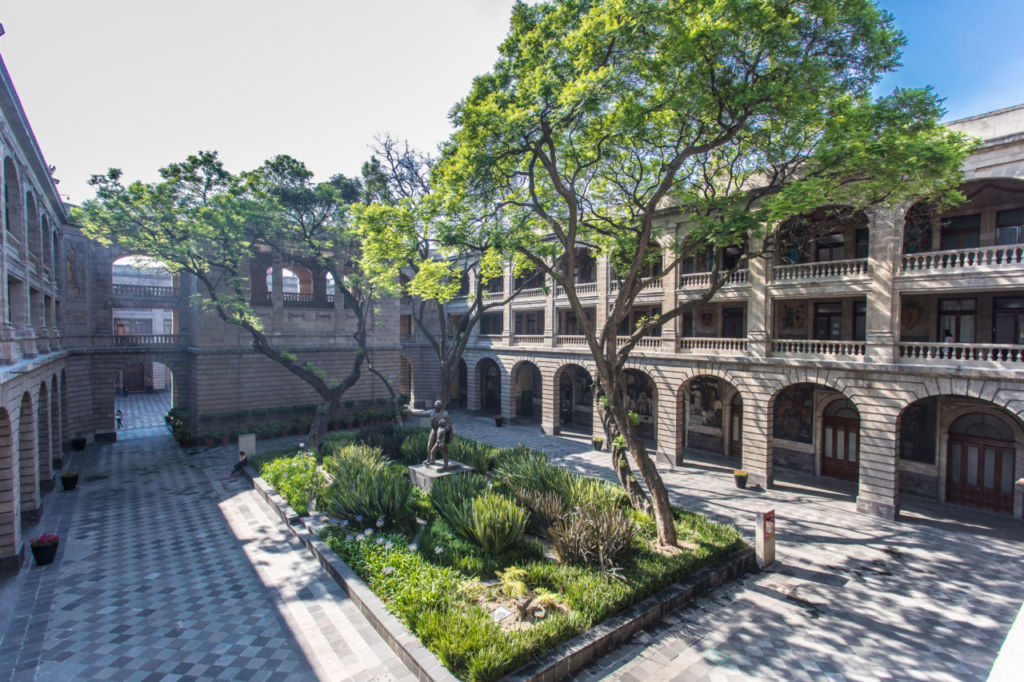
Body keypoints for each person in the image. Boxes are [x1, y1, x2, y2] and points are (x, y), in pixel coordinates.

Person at [408, 400, 454, 467]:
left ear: (441, 407)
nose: (436, 407)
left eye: (438, 406)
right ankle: (430, 459)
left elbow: (449, 424)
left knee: (443, 449)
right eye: (435, 406)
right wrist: (412, 412)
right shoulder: (431, 411)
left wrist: (445, 429)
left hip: (441, 433)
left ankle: (446, 463)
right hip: (433, 431)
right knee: (429, 446)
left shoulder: (445, 414)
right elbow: (422, 413)